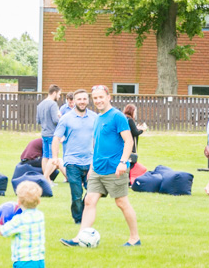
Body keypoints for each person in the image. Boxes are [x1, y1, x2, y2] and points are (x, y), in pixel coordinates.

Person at [61, 85, 140, 247]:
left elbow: (129, 141)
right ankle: (79, 238)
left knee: (121, 202)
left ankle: (134, 238)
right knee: (89, 201)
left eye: (101, 97)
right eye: (95, 98)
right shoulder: (97, 118)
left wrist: (123, 162)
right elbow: (96, 144)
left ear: (108, 97)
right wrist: (92, 167)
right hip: (97, 168)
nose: (98, 100)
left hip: (115, 168)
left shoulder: (117, 116)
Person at [52, 89, 97, 224]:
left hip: (90, 162)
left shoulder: (95, 117)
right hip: (72, 162)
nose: (82, 102)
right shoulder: (66, 118)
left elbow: (99, 139)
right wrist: (55, 157)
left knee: (93, 192)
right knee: (76, 195)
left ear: (88, 100)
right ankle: (78, 220)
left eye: (84, 99)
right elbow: (56, 138)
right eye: (79, 99)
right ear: (74, 101)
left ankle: (84, 212)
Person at [37, 85, 61, 180]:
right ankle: (45, 178)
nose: (59, 96)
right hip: (52, 134)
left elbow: (38, 121)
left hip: (44, 134)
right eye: (59, 94)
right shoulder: (53, 104)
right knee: (53, 157)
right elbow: (55, 120)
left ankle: (47, 180)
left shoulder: (40, 104)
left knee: (45, 156)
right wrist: (60, 117)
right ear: (54, 93)